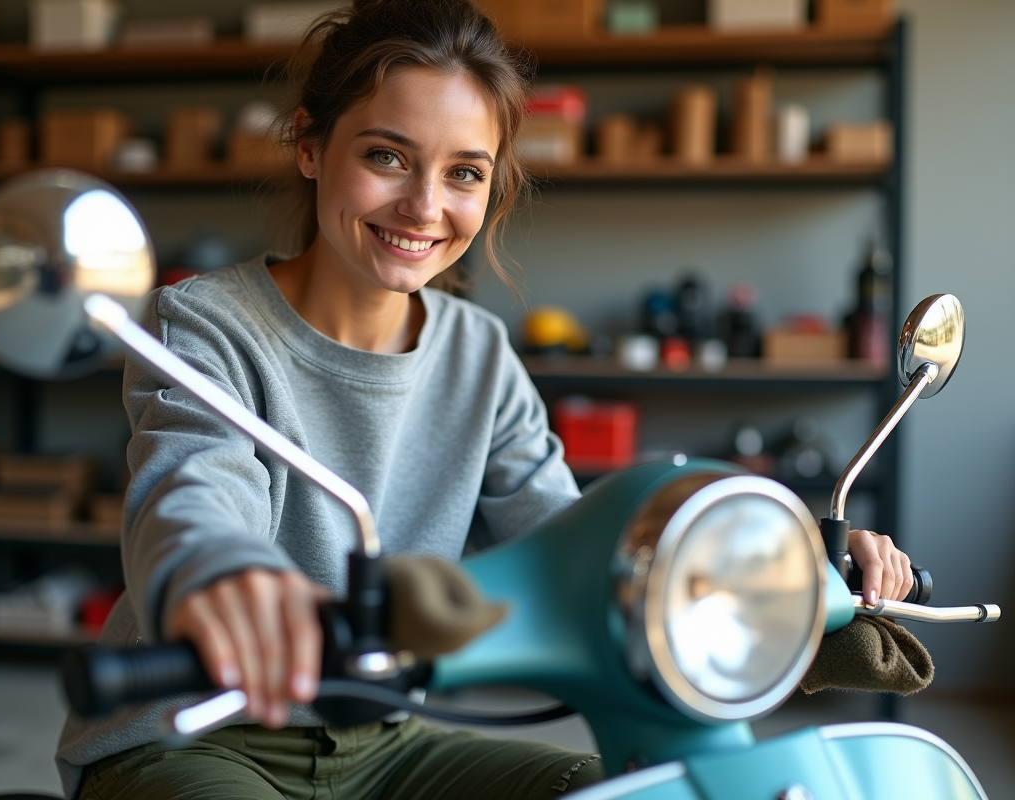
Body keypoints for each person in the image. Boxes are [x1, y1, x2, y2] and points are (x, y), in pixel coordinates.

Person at [58, 1, 916, 797]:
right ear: (310, 146)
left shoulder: (479, 352)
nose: (424, 207)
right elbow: (191, 494)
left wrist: (787, 569)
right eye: (386, 156)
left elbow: (576, 542)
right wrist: (227, 579)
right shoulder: (204, 323)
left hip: (387, 737)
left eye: (464, 172)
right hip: (196, 733)